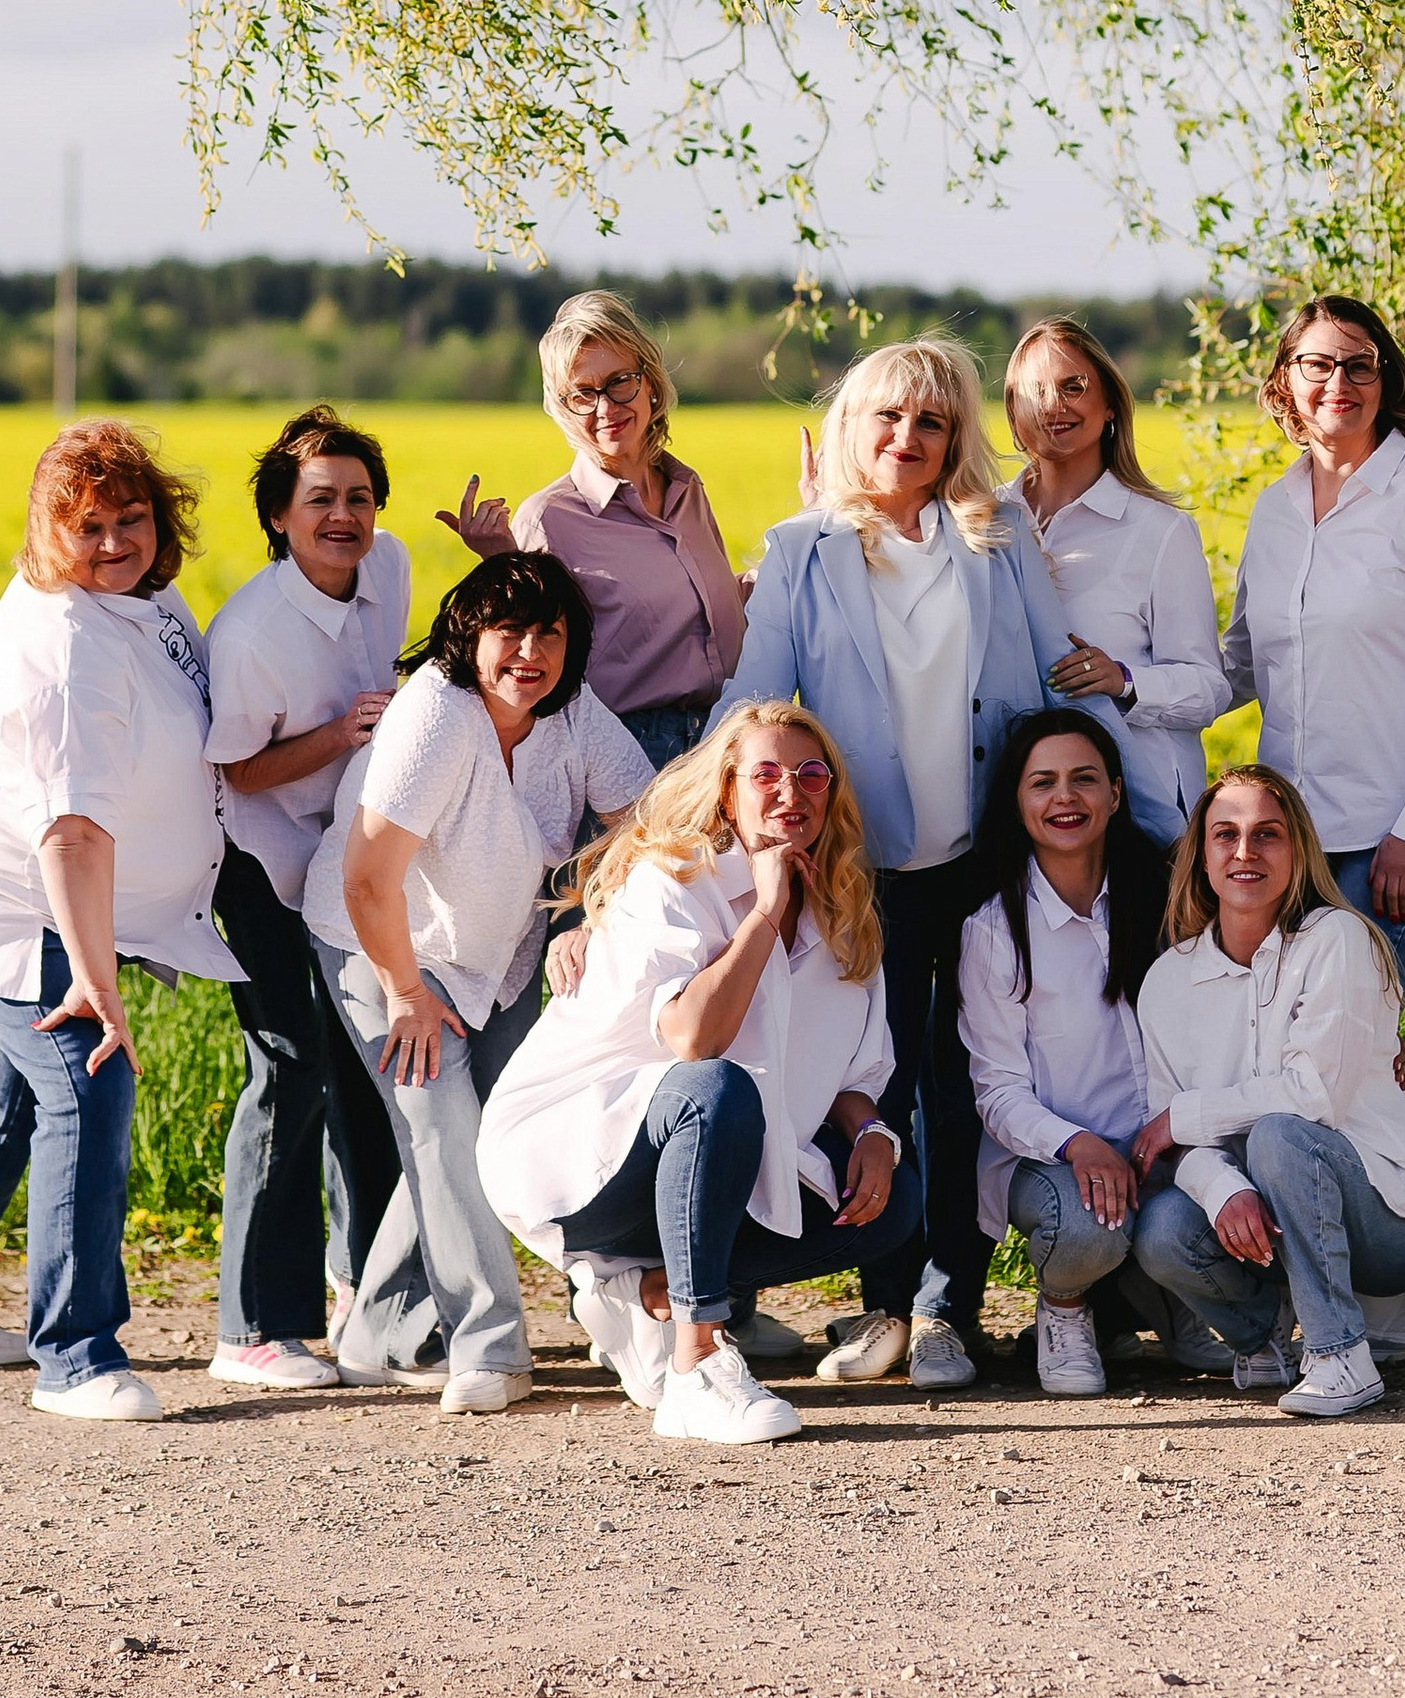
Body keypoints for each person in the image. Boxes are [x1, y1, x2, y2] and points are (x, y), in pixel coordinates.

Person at [711, 335, 1072, 1389]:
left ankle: (947, 1308)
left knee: (967, 1085)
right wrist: (702, 828)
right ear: (851, 427)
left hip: (983, 858)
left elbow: (1051, 680)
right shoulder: (800, 548)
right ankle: (885, 1307)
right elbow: (754, 701)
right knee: (876, 1086)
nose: (907, 436)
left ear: (955, 436)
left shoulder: (1000, 535)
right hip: (860, 867)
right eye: (887, 416)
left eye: (931, 420)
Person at [0, 420, 240, 1419]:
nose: (115, 541)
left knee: (9, 1100)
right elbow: (70, 831)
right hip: (12, 899)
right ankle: (76, 1356)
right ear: (47, 531)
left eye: (133, 518)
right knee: (87, 1078)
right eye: (88, 526)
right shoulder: (63, 647)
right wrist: (96, 980)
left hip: (60, 900)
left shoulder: (140, 597)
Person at [476, 702, 920, 1445]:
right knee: (716, 1087)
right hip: (579, 1161)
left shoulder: (843, 916)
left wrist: (873, 1130)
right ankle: (699, 1363)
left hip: (710, 1154)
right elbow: (696, 1038)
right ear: (727, 792)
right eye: (766, 775)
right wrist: (765, 912)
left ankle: (647, 1288)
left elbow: (853, 1075)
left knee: (894, 1201)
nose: (791, 792)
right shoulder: (673, 881)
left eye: (812, 775)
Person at [303, 549, 650, 1415]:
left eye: (550, 634)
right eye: (509, 632)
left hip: (501, 951)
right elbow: (366, 879)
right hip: (384, 942)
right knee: (440, 1127)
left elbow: (646, 826)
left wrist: (584, 915)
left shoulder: (572, 710)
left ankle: (376, 1329)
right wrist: (406, 995)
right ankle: (490, 1348)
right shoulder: (436, 715)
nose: (530, 652)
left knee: (488, 1130)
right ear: (469, 636)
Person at [1130, 761, 1405, 1418]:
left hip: (1388, 1218)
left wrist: (1186, 1115)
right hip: (1272, 1217)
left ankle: (1342, 1353)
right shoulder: (1167, 983)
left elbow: (1312, 1098)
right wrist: (1225, 1189)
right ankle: (1264, 1338)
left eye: (1267, 834)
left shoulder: (1338, 939)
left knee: (1280, 1136)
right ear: (1201, 857)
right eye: (1226, 835)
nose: (1245, 851)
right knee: (1163, 1230)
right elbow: (1176, 1144)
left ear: (1298, 851)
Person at [202, 410, 415, 1391]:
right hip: (260, 860)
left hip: (351, 859)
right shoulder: (253, 632)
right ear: (278, 516)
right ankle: (253, 1327)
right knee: (290, 1070)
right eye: (320, 499)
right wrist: (340, 733)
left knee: (370, 1068)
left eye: (359, 497)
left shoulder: (390, 565)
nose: (344, 516)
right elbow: (238, 771)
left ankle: (365, 1293)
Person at [1216, 298, 1405, 986]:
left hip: (1393, 832)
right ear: (1284, 379)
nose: (1338, 383)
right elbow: (1243, 664)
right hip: (1291, 837)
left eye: (1359, 365)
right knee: (1290, 1027)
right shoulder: (1273, 510)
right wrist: (1132, 685)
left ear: (1385, 379)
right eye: (1317, 364)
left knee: (1350, 1022)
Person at [956, 708, 1202, 1396]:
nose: (1065, 797)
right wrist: (1079, 1145)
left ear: (1116, 794)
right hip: (1052, 1162)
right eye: (1043, 783)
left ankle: (1172, 1298)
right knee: (1093, 1226)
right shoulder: (995, 929)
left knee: (1190, 1220)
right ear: (1017, 802)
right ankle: (1064, 1310)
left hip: (1159, 1147)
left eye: (1084, 779)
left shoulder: (1166, 899)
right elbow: (997, 1092)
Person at [440, 290, 747, 771]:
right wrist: (502, 563)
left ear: (650, 383)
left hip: (725, 740)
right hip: (630, 752)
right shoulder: (549, 519)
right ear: (562, 408)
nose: (605, 407)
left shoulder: (688, 490)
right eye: (583, 394)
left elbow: (710, 610)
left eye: (620, 381)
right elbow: (527, 658)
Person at [1002, 317, 1226, 848]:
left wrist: (1123, 680)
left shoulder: (1160, 531)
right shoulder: (981, 522)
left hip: (1141, 816)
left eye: (1073, 386)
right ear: (1013, 413)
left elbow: (1209, 689)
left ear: (1109, 406)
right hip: (1019, 810)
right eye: (1035, 392)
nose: (1054, 405)